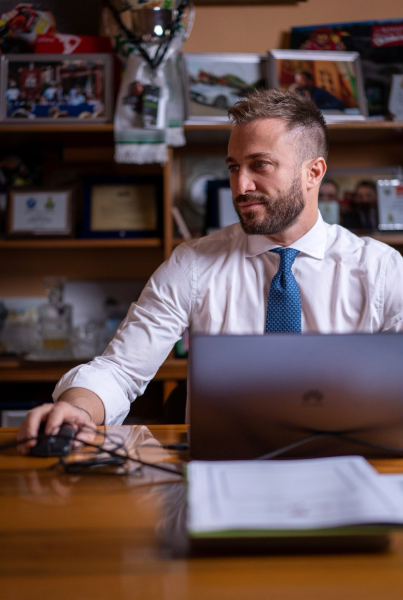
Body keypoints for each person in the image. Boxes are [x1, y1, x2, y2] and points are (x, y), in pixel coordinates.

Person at [17, 88, 403, 453]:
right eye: (234, 167)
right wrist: (78, 410)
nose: (240, 185)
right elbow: (120, 369)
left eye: (260, 165)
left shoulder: (381, 269)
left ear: (313, 172)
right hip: (223, 467)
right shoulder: (192, 263)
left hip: (350, 462)